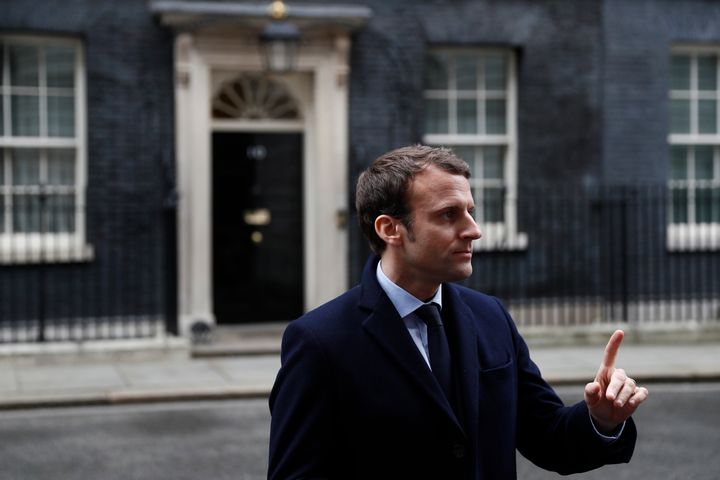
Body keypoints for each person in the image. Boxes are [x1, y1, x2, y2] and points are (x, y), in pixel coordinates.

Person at [268, 144, 648, 479]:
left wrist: (600, 418)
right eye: (449, 215)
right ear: (390, 229)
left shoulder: (490, 317)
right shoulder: (319, 341)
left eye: (471, 211)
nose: (474, 230)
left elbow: (549, 438)